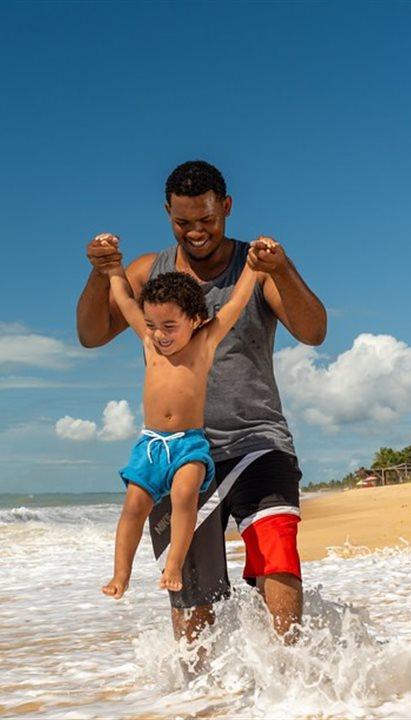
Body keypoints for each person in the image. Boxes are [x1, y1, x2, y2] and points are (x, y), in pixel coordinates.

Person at [76, 160, 327, 643]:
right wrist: (100, 271)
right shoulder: (150, 271)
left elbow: (314, 330)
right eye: (183, 222)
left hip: (258, 442)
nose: (195, 232)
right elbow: (91, 335)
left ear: (227, 208)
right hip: (179, 454)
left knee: (277, 560)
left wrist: (281, 267)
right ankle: (202, 702)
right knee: (193, 603)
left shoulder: (253, 266)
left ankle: (295, 686)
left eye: (207, 220)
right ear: (168, 212)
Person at [99, 236, 274, 598]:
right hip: (149, 445)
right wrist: (115, 268)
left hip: (188, 444)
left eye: (169, 326)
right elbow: (124, 299)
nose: (159, 335)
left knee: (184, 494)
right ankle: (121, 574)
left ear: (194, 320)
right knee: (133, 506)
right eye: (152, 325)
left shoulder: (204, 343)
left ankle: (175, 563)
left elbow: (236, 303)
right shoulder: (149, 340)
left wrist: (254, 268)